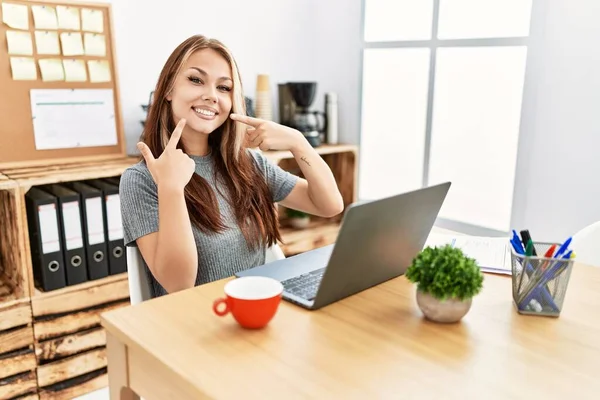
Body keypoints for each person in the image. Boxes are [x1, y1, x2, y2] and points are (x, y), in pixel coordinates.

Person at [120, 35, 344, 298]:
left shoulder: (247, 164)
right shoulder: (141, 180)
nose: (211, 96)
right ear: (168, 90)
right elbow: (178, 283)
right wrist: (171, 187)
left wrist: (298, 142)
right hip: (194, 326)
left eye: (224, 88)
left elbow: (329, 205)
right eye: (196, 80)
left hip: (256, 313)